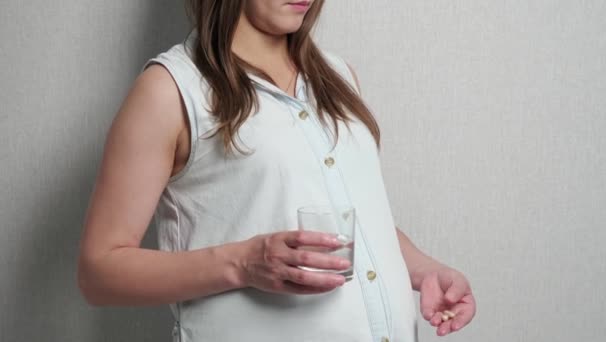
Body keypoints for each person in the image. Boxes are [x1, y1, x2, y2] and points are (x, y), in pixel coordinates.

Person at [77, 1, 476, 341]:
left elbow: (357, 219)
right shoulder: (170, 90)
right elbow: (99, 272)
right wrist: (244, 262)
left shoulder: (339, 78)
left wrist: (425, 270)